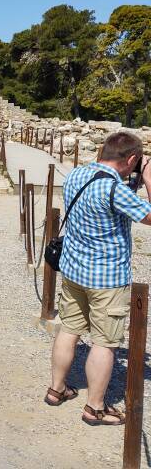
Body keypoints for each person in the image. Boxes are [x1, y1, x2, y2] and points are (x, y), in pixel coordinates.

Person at [46, 132, 151, 427]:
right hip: (106, 277)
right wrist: (148, 175)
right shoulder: (115, 191)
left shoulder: (78, 174)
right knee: (105, 343)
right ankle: (95, 408)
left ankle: (56, 389)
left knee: (69, 330)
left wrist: (132, 177)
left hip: (74, 270)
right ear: (131, 159)